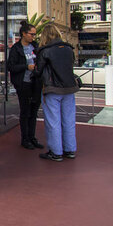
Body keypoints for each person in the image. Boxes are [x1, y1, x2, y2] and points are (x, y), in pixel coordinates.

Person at [34, 24, 79, 162]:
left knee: (53, 121)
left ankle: (56, 152)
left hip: (52, 89)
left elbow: (38, 71)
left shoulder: (45, 51)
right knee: (69, 120)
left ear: (45, 36)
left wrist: (32, 72)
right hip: (69, 89)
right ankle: (70, 149)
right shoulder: (69, 49)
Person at [7, 21, 44, 150]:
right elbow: (10, 66)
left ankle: (32, 137)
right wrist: (26, 67)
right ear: (24, 34)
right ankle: (25, 138)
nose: (33, 37)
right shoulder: (16, 49)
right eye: (31, 34)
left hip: (35, 83)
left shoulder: (36, 47)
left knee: (33, 112)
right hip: (23, 83)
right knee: (25, 111)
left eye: (34, 35)